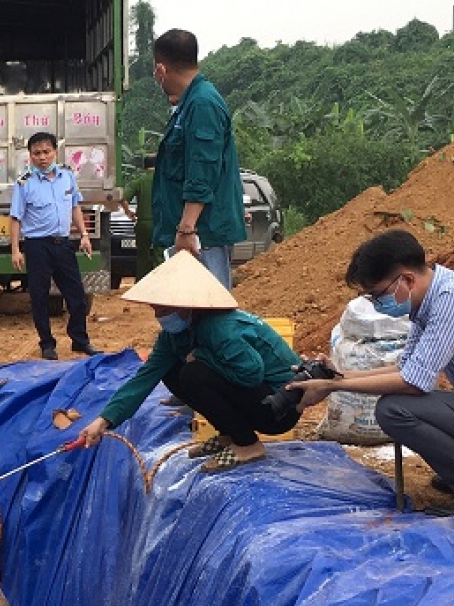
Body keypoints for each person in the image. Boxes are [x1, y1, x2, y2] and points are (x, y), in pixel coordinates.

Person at [79, 250, 302, 472]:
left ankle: (247, 444)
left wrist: (203, 357)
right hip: (257, 399)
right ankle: (230, 434)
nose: (159, 316)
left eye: (165, 309)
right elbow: (144, 379)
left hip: (278, 408)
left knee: (194, 374)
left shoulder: (220, 328)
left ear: (187, 305)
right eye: (155, 309)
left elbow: (251, 373)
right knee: (171, 370)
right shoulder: (173, 337)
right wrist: (103, 421)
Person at [294, 229, 454, 517]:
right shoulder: (427, 300)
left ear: (407, 279)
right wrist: (339, 376)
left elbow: (414, 382)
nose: (376, 304)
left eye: (377, 294)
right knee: (402, 404)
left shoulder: (451, 299)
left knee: (395, 409)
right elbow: (406, 366)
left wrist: (334, 388)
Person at [151, 29, 247, 291]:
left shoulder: (202, 104)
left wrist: (186, 229)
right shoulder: (191, 102)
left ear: (161, 68)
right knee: (190, 313)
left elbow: (202, 170)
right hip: (198, 231)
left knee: (208, 310)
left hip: (203, 233)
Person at [10, 131, 98, 360]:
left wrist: (85, 235)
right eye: (37, 153)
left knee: (77, 296)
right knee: (39, 298)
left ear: (55, 152)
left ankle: (79, 339)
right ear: (30, 156)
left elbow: (75, 207)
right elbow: (15, 217)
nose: (42, 157)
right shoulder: (24, 183)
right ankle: (47, 344)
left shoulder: (67, 178)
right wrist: (16, 250)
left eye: (46, 152)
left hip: (63, 245)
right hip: (37, 246)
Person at [121, 153, 160, 281]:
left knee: (142, 255)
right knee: (159, 254)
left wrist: (128, 212)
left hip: (143, 223)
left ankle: (141, 284)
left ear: (145, 166)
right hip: (161, 223)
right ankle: (160, 282)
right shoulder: (164, 180)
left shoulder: (139, 181)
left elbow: (124, 198)